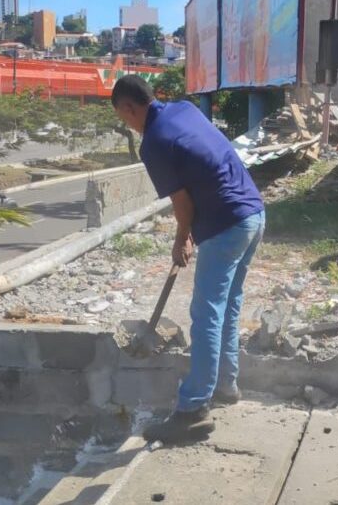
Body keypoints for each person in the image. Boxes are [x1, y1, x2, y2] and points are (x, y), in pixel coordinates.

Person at [111, 76, 265, 444]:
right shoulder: (183, 109)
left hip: (227, 224)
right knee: (228, 305)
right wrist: (190, 233)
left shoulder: (154, 143)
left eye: (123, 117)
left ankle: (194, 409)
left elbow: (183, 203)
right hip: (254, 215)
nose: (126, 124)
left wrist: (182, 237)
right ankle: (226, 386)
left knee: (207, 311)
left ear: (130, 108)